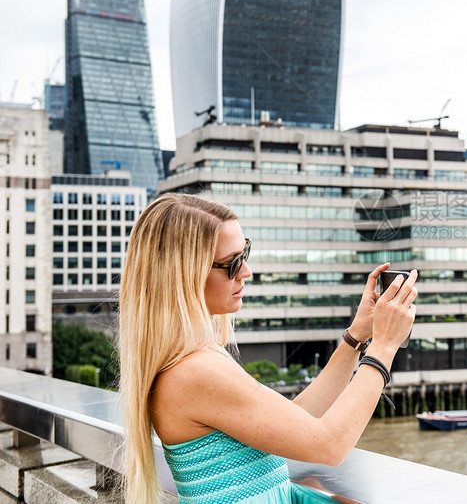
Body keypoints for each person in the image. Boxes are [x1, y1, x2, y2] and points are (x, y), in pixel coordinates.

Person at [118, 193, 417, 503]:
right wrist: (383, 346)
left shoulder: (192, 358)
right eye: (234, 262)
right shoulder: (195, 370)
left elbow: (295, 420)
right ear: (184, 274)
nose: (247, 271)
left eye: (246, 252)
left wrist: (357, 336)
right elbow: (329, 445)